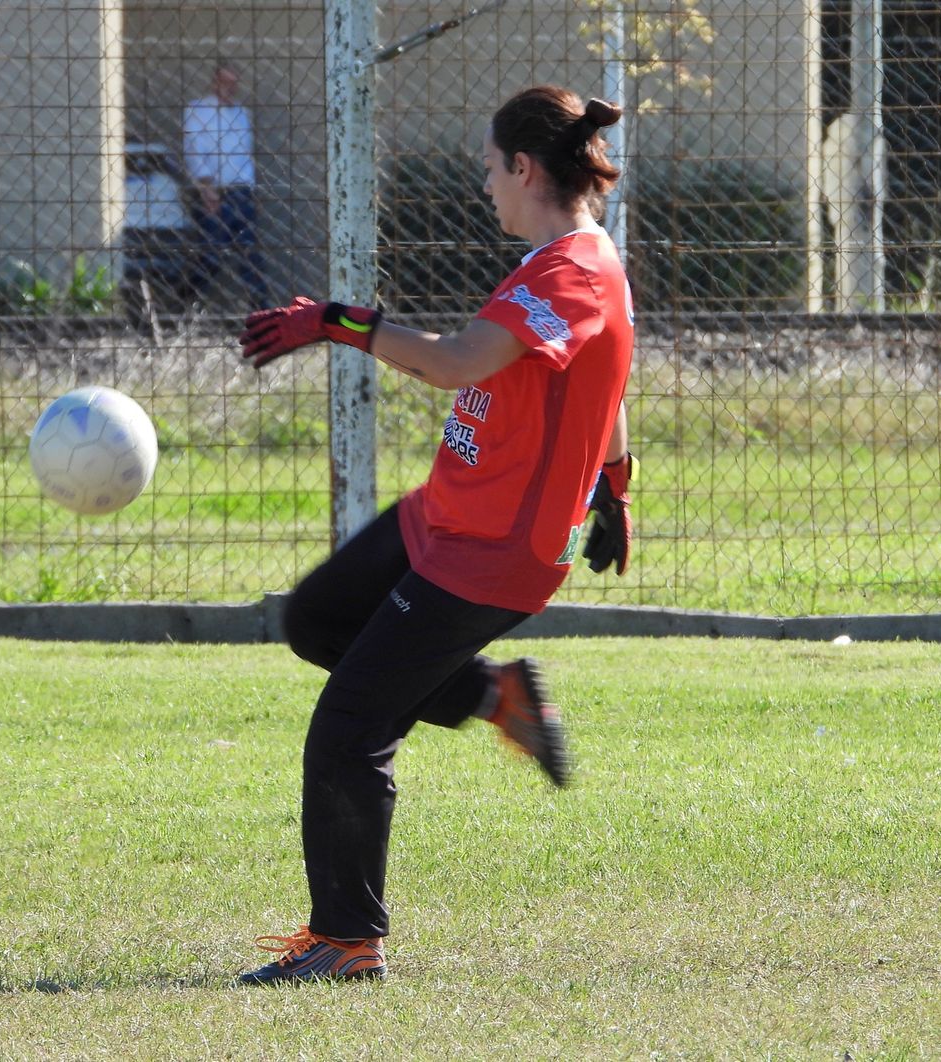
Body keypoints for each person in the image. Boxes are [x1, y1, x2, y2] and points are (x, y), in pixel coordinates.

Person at [233, 85, 638, 985]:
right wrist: (613, 486)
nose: (484, 184)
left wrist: (335, 323)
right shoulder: (562, 258)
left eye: (489, 168)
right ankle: (499, 700)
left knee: (349, 728)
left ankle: (346, 942)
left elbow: (455, 361)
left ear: (524, 168)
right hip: (446, 515)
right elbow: (601, 390)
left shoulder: (573, 271)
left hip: (491, 554)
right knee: (318, 621)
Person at [182, 63, 269, 308]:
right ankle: (188, 303)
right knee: (211, 253)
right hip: (214, 190)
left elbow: (244, 153)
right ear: (214, 82)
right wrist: (206, 187)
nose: (229, 88)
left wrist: (251, 187)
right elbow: (194, 150)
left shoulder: (240, 113)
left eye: (233, 83)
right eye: (224, 82)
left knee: (250, 255)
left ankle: (260, 308)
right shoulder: (199, 110)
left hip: (241, 189)